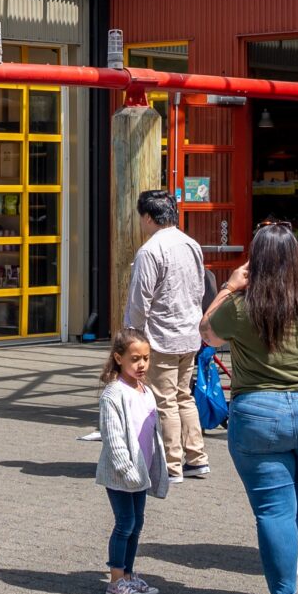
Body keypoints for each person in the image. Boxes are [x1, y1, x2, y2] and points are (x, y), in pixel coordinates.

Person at [202, 220, 298, 594]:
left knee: (274, 511)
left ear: (256, 260)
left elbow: (206, 334)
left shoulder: (239, 305)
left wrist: (230, 286)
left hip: (259, 414)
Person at [123, 187, 211, 482]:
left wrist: (131, 337)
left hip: (161, 335)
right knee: (183, 396)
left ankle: (171, 465)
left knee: (165, 400)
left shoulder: (150, 250)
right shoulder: (191, 244)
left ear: (148, 217)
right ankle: (197, 457)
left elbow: (139, 300)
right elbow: (200, 288)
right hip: (189, 333)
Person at [95, 332, 166, 594]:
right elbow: (113, 438)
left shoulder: (145, 390)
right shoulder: (114, 394)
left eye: (146, 359)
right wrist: (126, 470)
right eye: (135, 359)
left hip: (142, 472)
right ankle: (115, 579)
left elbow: (153, 432)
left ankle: (128, 574)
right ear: (118, 358)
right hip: (121, 474)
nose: (141, 364)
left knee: (137, 524)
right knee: (124, 524)